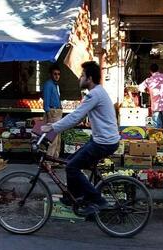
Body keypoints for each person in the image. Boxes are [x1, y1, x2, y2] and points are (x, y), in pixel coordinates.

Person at [41, 61, 119, 215]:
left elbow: (76, 117)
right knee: (71, 161)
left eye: (82, 76)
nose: (79, 79)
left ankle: (98, 200)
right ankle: (74, 196)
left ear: (89, 78)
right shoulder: (98, 92)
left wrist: (52, 127)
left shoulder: (94, 94)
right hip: (102, 139)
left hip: (103, 142)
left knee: (72, 167)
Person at [134, 63, 163, 148]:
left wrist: (147, 91)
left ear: (150, 71)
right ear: (158, 69)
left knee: (157, 127)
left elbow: (138, 88)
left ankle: (157, 145)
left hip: (156, 106)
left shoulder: (149, 80)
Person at [42, 64, 63, 160]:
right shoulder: (48, 85)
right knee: (53, 138)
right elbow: (46, 102)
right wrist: (49, 116)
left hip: (57, 112)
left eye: (58, 74)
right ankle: (48, 161)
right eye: (55, 74)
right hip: (52, 112)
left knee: (58, 139)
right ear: (51, 74)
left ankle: (55, 160)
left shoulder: (56, 85)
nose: (57, 76)